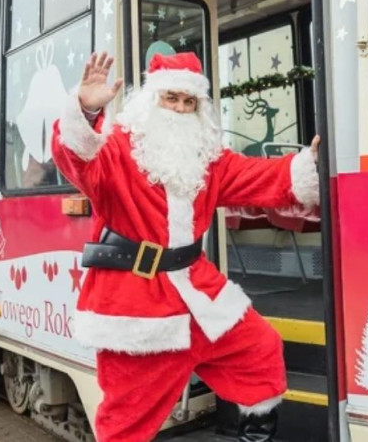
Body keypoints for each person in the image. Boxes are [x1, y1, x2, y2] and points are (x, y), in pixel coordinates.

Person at [51, 51, 320, 442]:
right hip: (137, 304)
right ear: (151, 101)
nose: (179, 108)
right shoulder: (118, 149)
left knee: (259, 350)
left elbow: (258, 176)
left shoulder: (208, 160)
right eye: (171, 98)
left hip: (197, 291)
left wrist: (308, 164)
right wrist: (85, 112)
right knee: (127, 422)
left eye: (188, 101)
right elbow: (77, 158)